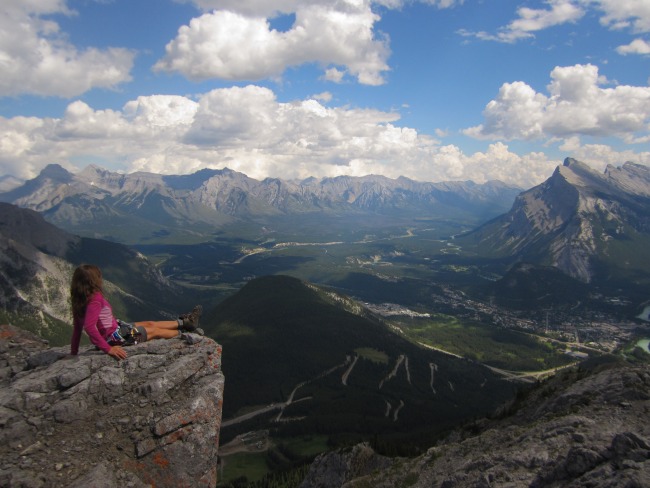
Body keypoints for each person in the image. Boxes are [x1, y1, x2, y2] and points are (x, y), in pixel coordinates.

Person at [70, 264, 202, 360]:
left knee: (149, 323)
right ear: (93, 281)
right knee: (154, 332)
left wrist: (74, 352)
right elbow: (89, 327)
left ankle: (186, 323)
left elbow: (77, 329)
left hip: (117, 331)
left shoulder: (79, 301)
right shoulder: (95, 299)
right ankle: (185, 334)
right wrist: (108, 349)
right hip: (117, 339)